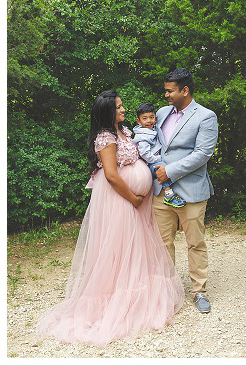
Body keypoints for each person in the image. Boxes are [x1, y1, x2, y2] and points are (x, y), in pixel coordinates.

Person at [37, 91, 184, 344]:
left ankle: (139, 294)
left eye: (122, 106)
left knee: (136, 247)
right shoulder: (105, 137)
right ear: (107, 112)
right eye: (118, 108)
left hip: (135, 200)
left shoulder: (124, 131)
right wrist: (133, 197)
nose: (124, 110)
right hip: (120, 199)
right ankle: (117, 300)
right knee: (119, 246)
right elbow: (112, 175)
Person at [151, 68, 218, 314]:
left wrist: (169, 171)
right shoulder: (160, 114)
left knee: (195, 242)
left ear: (185, 90)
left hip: (191, 190)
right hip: (161, 191)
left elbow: (203, 154)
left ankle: (198, 291)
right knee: (162, 243)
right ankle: (167, 291)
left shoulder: (206, 116)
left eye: (170, 91)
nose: (166, 95)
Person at [132, 102, 186, 209]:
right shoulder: (142, 135)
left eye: (151, 117)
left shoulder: (152, 130)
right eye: (145, 118)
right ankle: (168, 194)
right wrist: (158, 158)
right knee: (161, 167)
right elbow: (144, 154)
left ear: (155, 118)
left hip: (151, 163)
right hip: (147, 166)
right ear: (138, 121)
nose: (149, 121)